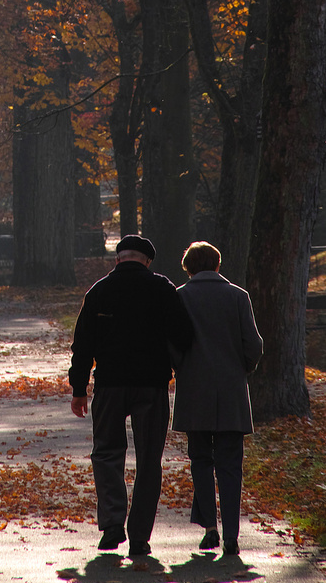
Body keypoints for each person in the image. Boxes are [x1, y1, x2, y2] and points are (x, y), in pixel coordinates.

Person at [69, 234, 193, 557]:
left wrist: (79, 389)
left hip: (109, 385)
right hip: (151, 386)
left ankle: (112, 524)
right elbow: (184, 335)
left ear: (118, 259)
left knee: (107, 452)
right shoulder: (162, 288)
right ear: (147, 261)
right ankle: (139, 536)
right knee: (149, 459)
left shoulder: (98, 291)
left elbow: (82, 345)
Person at [171, 240, 263, 556]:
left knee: (200, 458)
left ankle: (210, 526)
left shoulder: (181, 297)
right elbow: (254, 343)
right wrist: (242, 370)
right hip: (231, 391)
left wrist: (182, 367)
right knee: (230, 464)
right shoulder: (239, 297)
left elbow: (173, 344)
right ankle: (232, 534)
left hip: (194, 389)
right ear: (218, 265)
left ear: (189, 268)